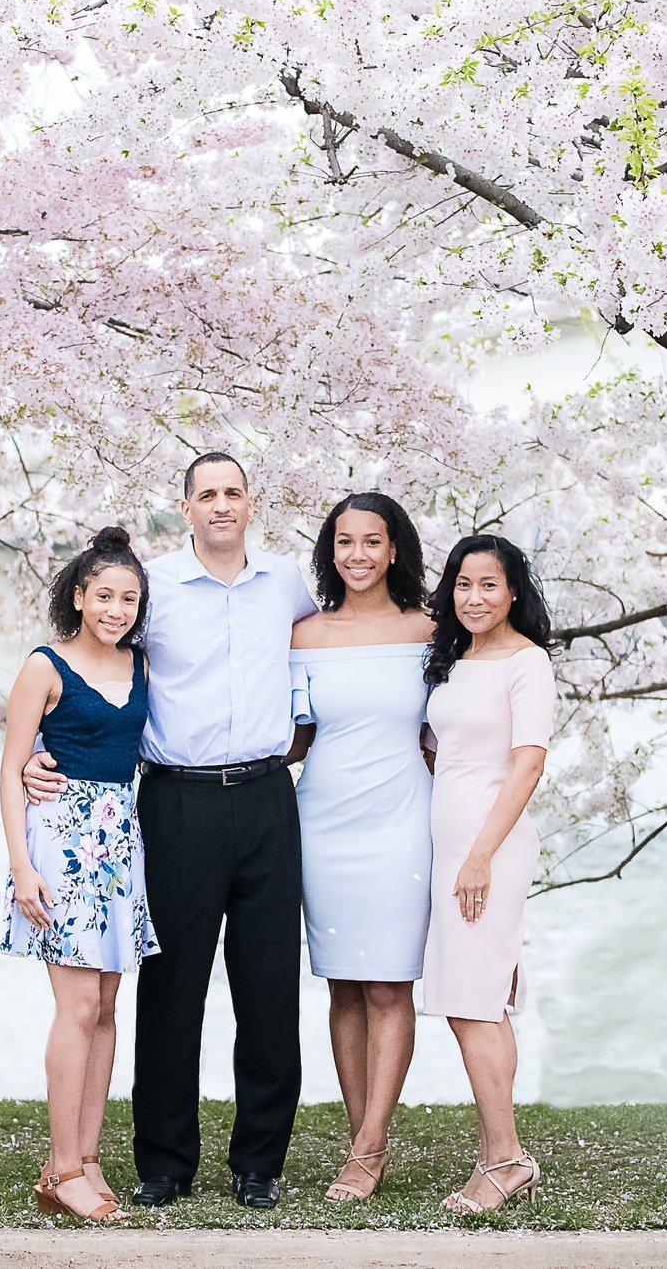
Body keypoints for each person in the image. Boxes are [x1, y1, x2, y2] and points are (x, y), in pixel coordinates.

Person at [24, 453, 315, 1208]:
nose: (221, 505)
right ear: (185, 507)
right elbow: (93, 669)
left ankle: (259, 1163)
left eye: (234, 493)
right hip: (174, 803)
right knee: (170, 989)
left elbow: (325, 664)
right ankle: (164, 1164)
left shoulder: (287, 585)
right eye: (206, 494)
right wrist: (38, 758)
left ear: (253, 505)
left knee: (268, 987)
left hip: (264, 797)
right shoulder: (148, 589)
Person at [0, 526, 158, 1224]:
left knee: (107, 1008)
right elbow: (10, 770)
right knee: (77, 1008)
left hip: (121, 841)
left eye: (129, 598)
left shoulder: (143, 666)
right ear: (79, 596)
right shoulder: (44, 666)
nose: (116, 609)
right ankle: (64, 1168)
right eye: (104, 596)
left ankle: (84, 1159)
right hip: (61, 845)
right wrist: (21, 868)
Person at [284, 491, 436, 1202]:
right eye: (345, 542)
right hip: (324, 820)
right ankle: (363, 1144)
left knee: (388, 982)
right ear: (330, 551)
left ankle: (371, 1147)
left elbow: (449, 732)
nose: (358, 555)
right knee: (344, 981)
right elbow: (294, 739)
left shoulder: (430, 630)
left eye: (372, 541)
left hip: (402, 816)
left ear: (394, 548)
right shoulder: (307, 635)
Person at [417, 532, 556, 1214]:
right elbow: (446, 747)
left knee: (474, 1004)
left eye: (489, 585)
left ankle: (505, 1159)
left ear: (513, 593)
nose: (474, 597)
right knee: (471, 1003)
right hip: (452, 845)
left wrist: (478, 855)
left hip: (489, 849)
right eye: (463, 585)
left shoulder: (527, 664)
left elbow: (528, 765)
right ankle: (501, 1154)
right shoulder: (456, 659)